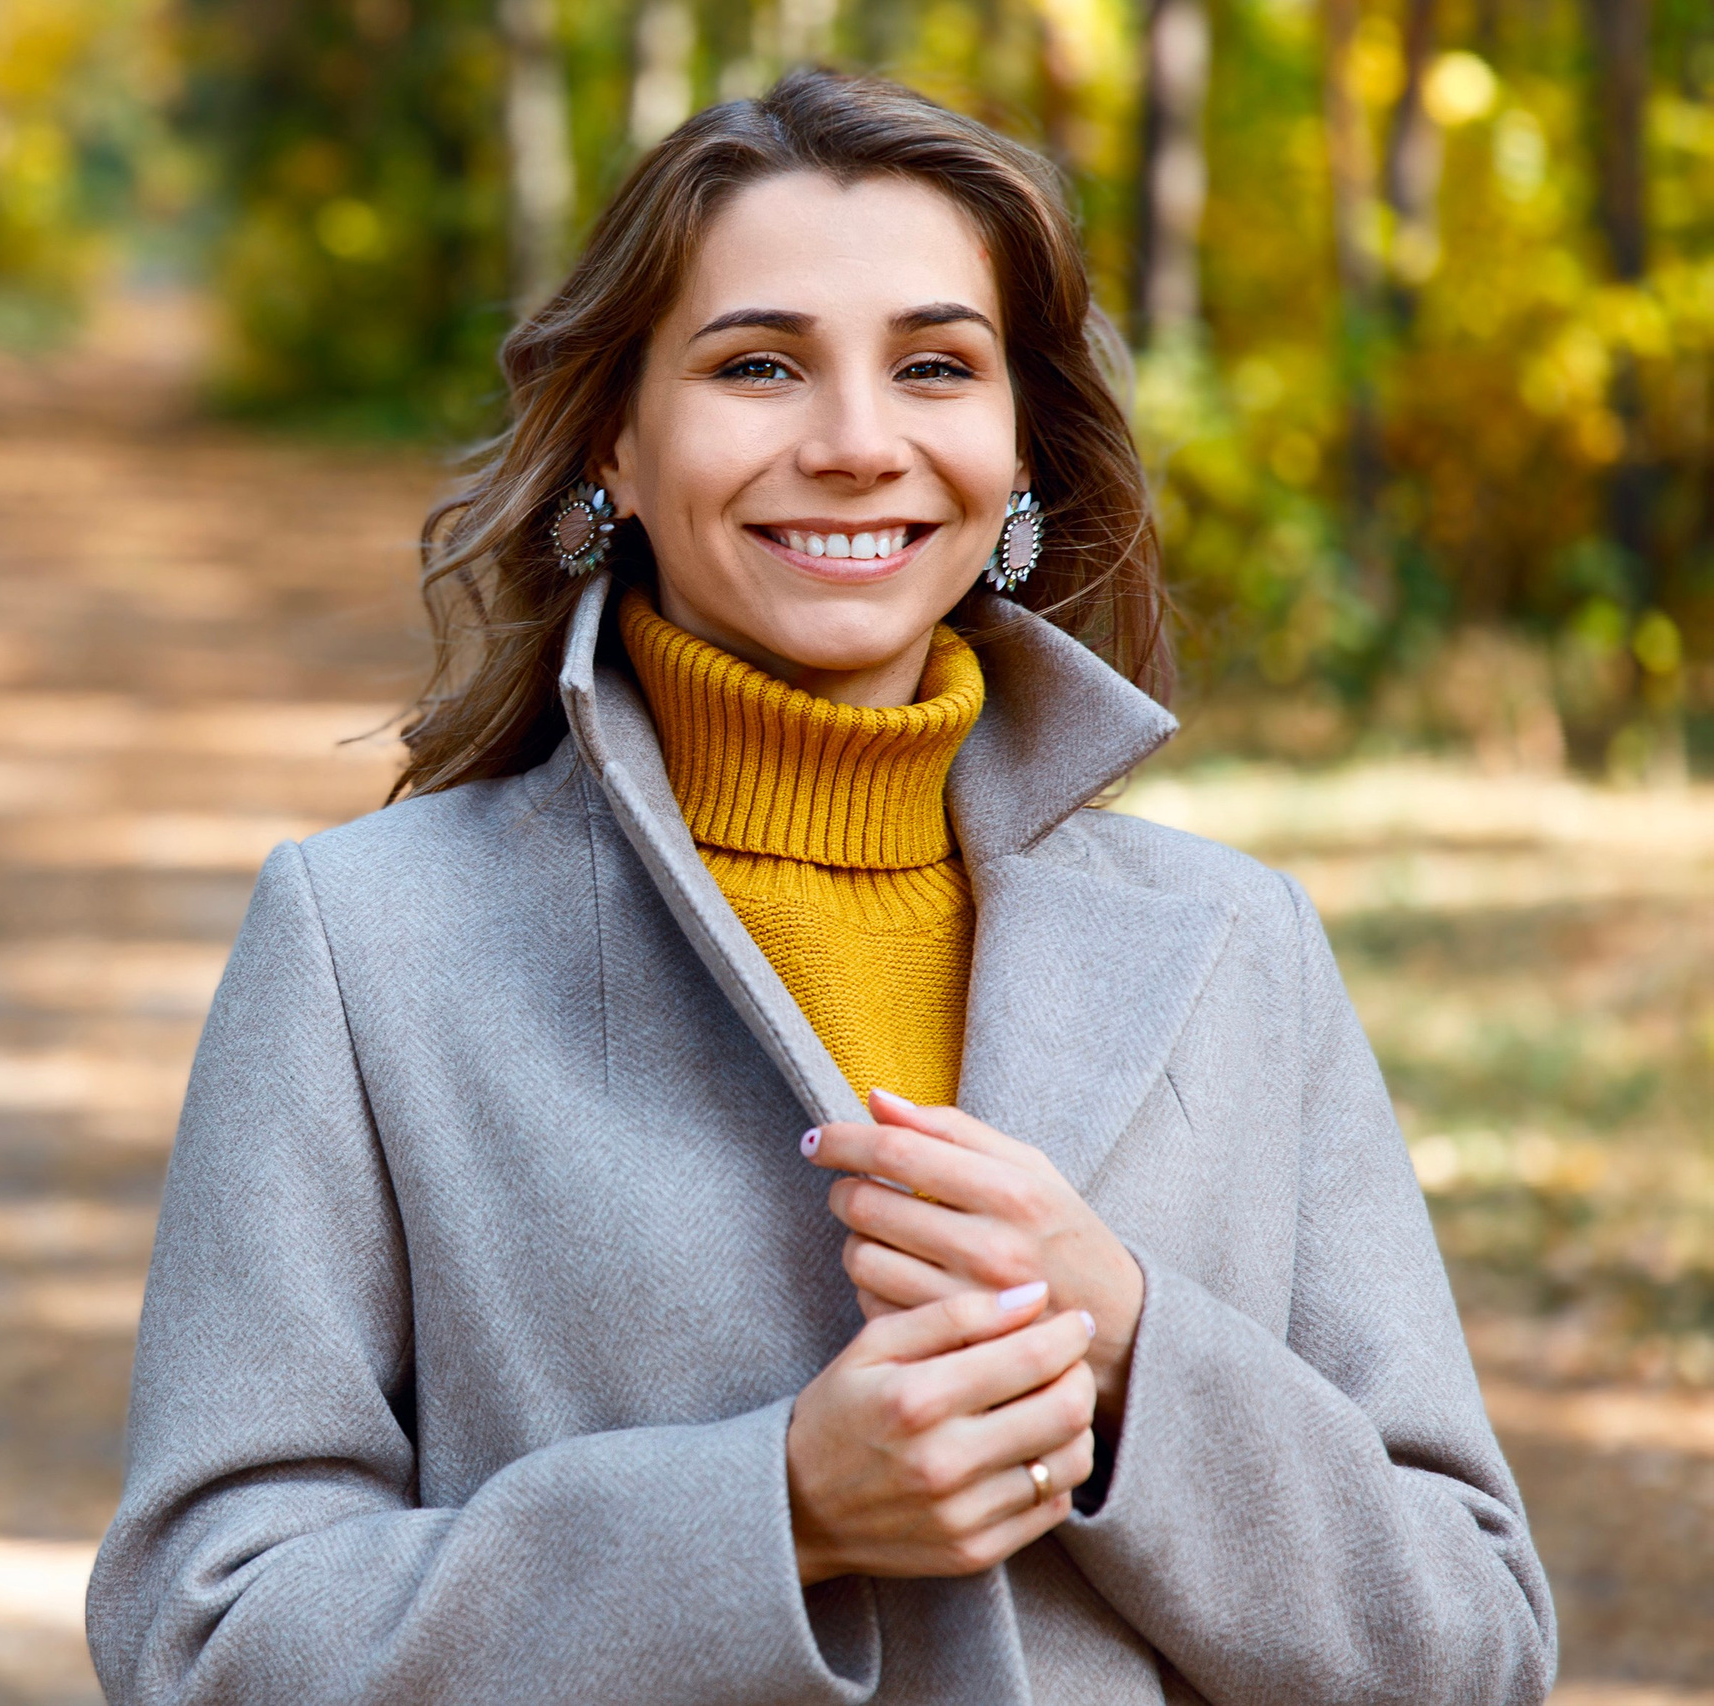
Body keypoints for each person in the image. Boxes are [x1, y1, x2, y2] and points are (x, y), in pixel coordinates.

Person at [86, 69, 1554, 1705]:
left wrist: (1131, 1345)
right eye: (758, 364)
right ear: (614, 447)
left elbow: (1475, 1644)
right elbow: (198, 1636)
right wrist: (770, 1513)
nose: (858, 444)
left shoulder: (1237, 947)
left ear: (1016, 456)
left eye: (936, 365)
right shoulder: (368, 945)